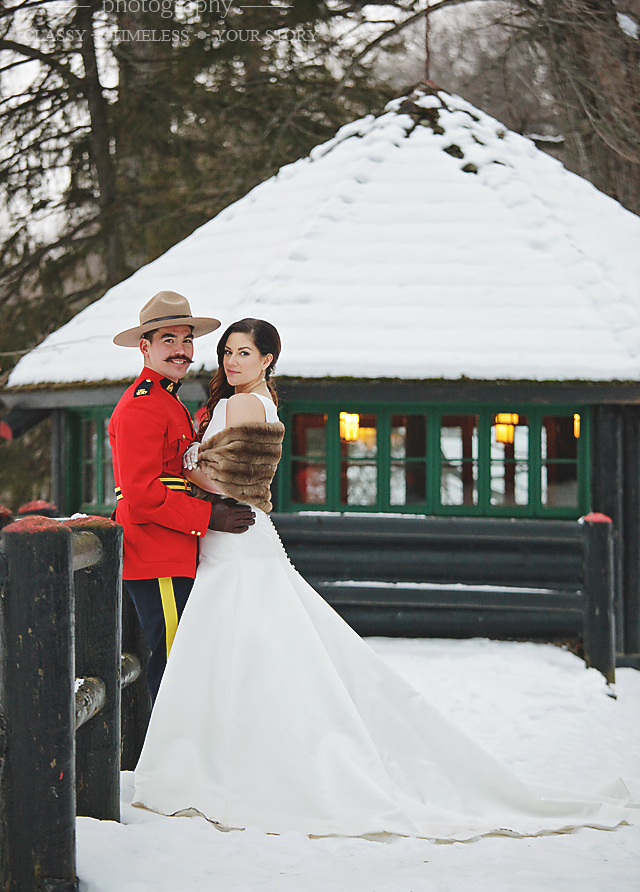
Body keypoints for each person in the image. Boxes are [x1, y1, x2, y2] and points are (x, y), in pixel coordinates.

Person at [132, 317, 638, 840]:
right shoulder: (258, 403)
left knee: (241, 653)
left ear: (267, 360)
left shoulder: (238, 405)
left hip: (232, 538)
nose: (232, 361)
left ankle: (224, 769)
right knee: (259, 654)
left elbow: (219, 477)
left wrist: (182, 463)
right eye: (227, 353)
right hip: (239, 536)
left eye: (243, 352)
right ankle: (235, 764)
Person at [109, 292, 255, 701]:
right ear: (145, 347)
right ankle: (172, 759)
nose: (180, 350)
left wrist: (212, 503)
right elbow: (141, 492)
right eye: (168, 341)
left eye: (186, 340)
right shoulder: (142, 406)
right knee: (175, 662)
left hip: (175, 545)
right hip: (156, 551)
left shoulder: (168, 400)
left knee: (186, 658)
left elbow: (177, 475)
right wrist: (209, 517)